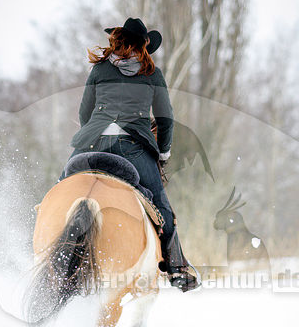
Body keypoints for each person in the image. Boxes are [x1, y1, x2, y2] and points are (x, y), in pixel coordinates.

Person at [60, 17, 198, 292]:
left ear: (118, 40)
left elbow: (84, 113)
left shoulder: (99, 70)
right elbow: (165, 119)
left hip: (92, 144)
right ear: (144, 46)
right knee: (162, 207)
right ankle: (176, 268)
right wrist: (163, 153)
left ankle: (44, 237)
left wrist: (94, 133)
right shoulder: (152, 74)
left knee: (61, 190)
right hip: (133, 148)